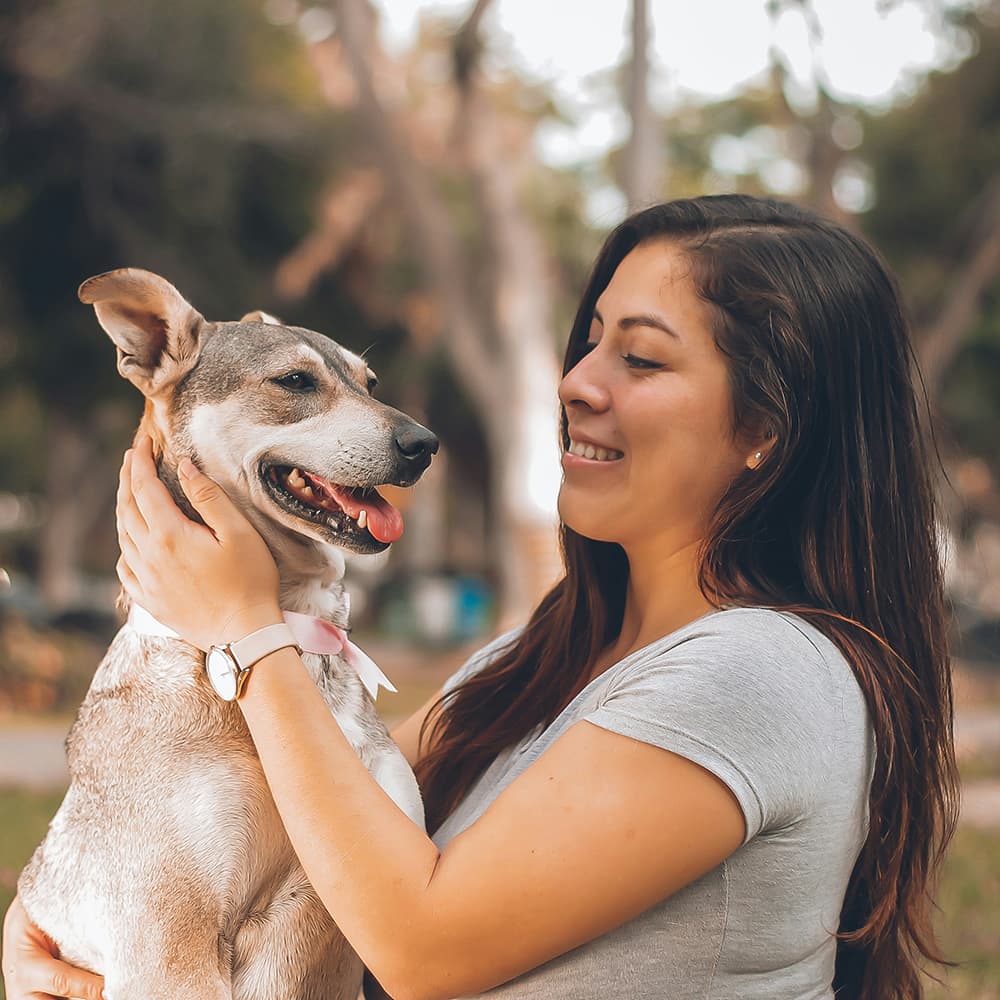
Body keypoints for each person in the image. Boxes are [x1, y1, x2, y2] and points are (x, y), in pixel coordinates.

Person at [3, 195, 959, 1000]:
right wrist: (50, 920)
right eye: (588, 344)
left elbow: (419, 945)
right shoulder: (529, 660)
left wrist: (247, 628)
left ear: (768, 428)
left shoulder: (762, 675)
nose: (577, 384)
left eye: (642, 357)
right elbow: (298, 817)